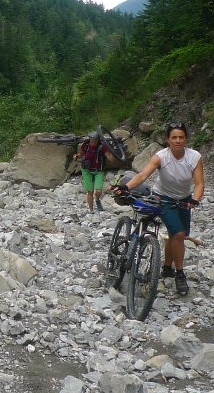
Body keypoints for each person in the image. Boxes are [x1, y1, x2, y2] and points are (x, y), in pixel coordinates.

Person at [111, 122, 204, 296]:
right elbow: (143, 175)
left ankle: (167, 267)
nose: (178, 141)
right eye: (174, 137)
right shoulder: (161, 156)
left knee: (175, 235)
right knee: (179, 235)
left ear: (186, 139)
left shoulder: (194, 157)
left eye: (181, 137)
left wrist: (195, 200)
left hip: (184, 200)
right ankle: (180, 274)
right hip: (164, 198)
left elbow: (199, 184)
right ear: (168, 139)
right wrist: (126, 187)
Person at [75, 131, 111, 212]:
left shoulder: (102, 147)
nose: (93, 142)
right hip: (86, 170)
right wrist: (77, 156)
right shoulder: (86, 145)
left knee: (98, 191)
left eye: (95, 140)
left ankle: (97, 200)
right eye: (92, 140)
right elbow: (81, 153)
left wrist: (113, 154)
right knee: (89, 191)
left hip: (99, 171)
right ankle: (91, 210)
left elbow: (109, 157)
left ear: (98, 140)